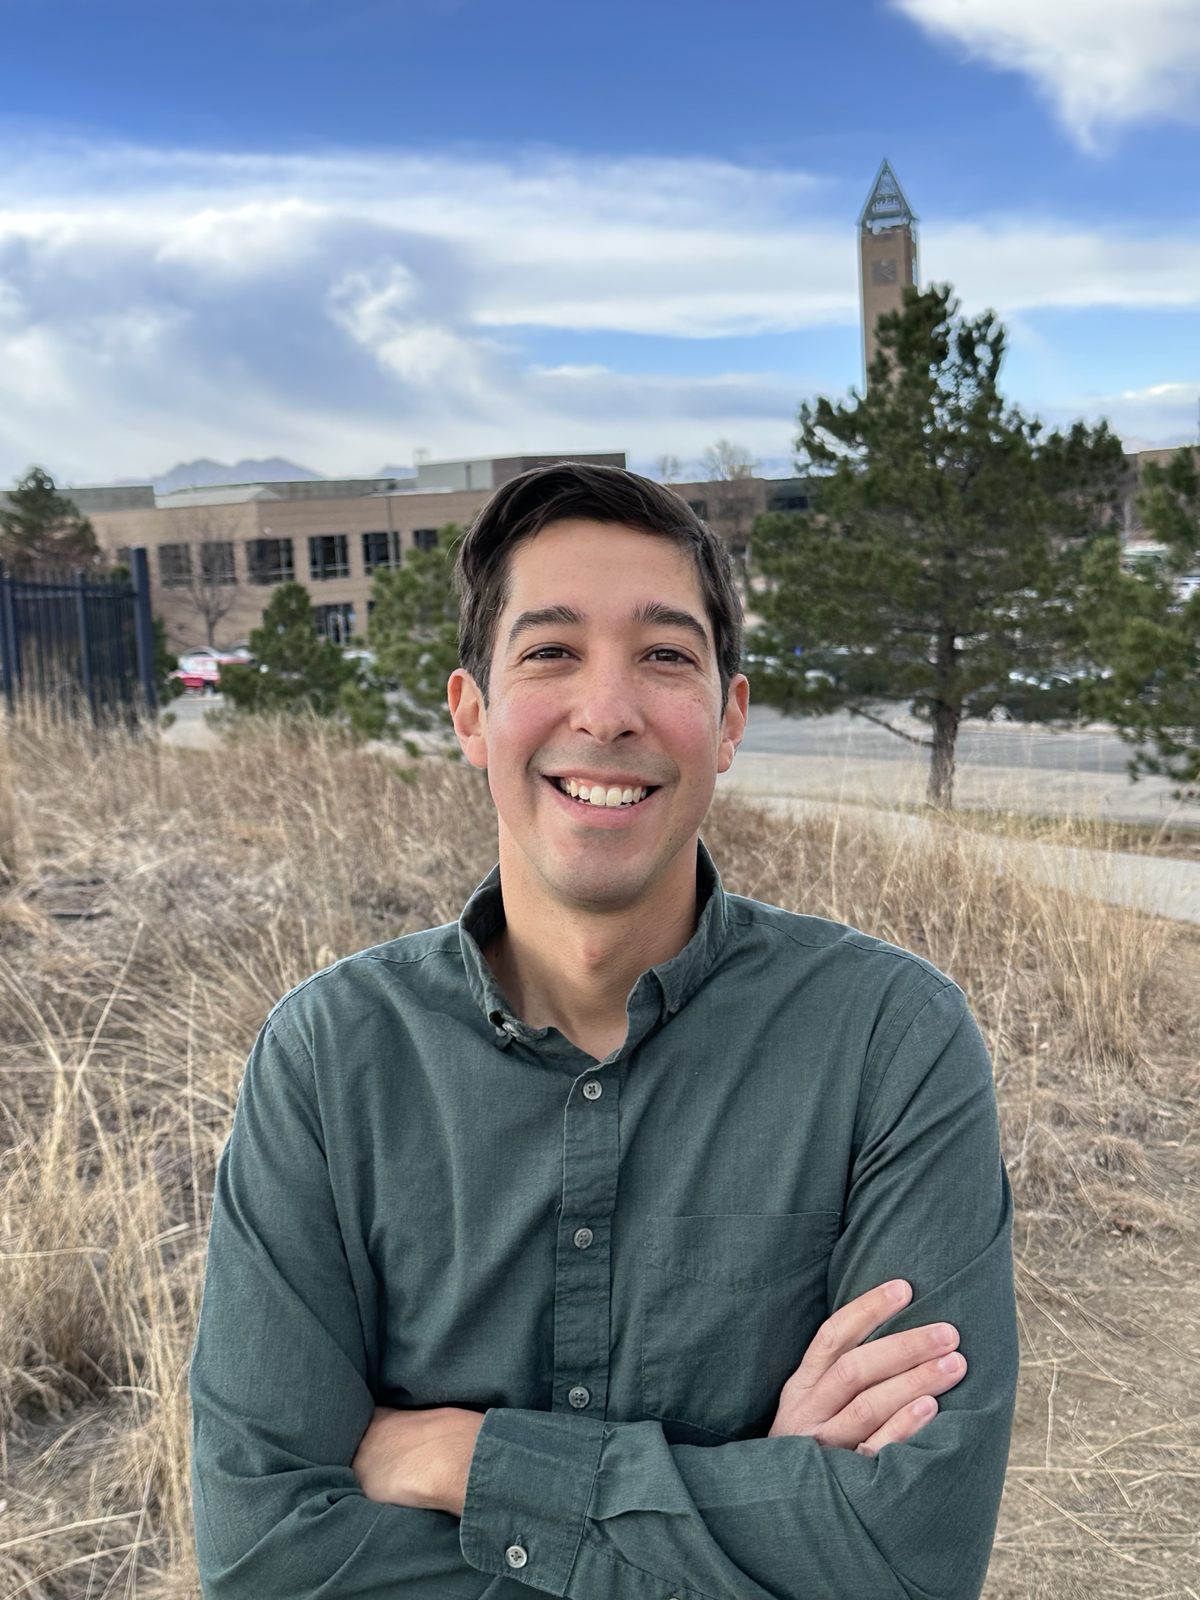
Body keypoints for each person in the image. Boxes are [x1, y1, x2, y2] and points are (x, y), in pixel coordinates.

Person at [190, 462, 1018, 1600]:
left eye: (666, 654)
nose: (609, 709)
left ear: (727, 719)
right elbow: (267, 1557)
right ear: (472, 717)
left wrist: (469, 1461)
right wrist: (753, 1497)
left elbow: (907, 1555)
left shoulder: (888, 1043)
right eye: (550, 651)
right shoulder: (330, 1062)